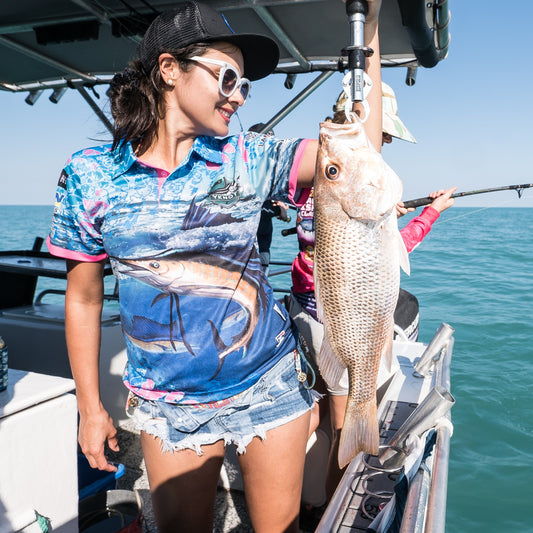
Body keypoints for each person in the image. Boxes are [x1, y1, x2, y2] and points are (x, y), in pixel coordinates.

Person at [46, 1, 383, 531]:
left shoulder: (248, 156)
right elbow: (84, 298)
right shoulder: (89, 176)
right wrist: (89, 408)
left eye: (244, 86)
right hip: (167, 404)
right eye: (228, 78)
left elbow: (354, 159)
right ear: (168, 69)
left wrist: (374, 27)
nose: (238, 96)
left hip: (268, 383)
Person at [290, 82, 456, 517]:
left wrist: (383, 210)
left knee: (325, 419)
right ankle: (327, 509)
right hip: (342, 322)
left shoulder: (312, 192)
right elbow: (383, 252)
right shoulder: (339, 190)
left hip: (309, 318)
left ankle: (312, 498)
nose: (381, 144)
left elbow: (339, 241)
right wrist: (429, 214)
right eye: (382, 136)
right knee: (347, 430)